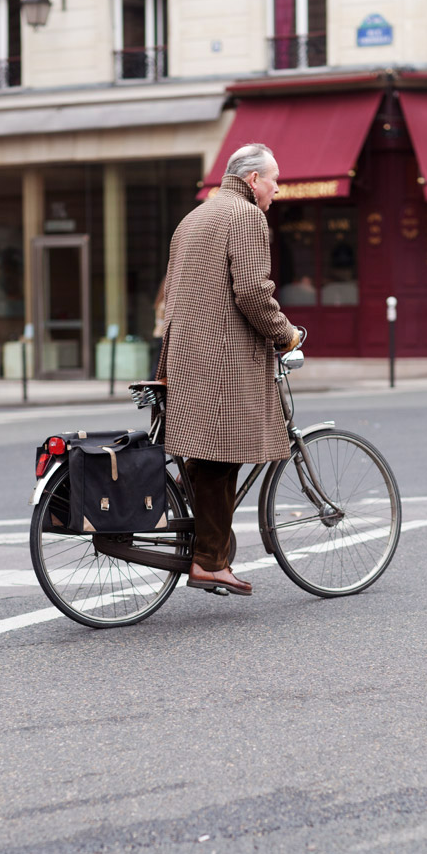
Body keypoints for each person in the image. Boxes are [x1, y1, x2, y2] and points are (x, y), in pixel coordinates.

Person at [156, 142, 299, 596]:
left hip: (184, 354)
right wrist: (286, 333)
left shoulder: (194, 217)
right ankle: (210, 562)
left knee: (202, 451)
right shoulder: (246, 215)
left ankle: (187, 523)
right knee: (222, 455)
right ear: (253, 180)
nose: (277, 188)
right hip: (223, 358)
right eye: (274, 178)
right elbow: (254, 293)